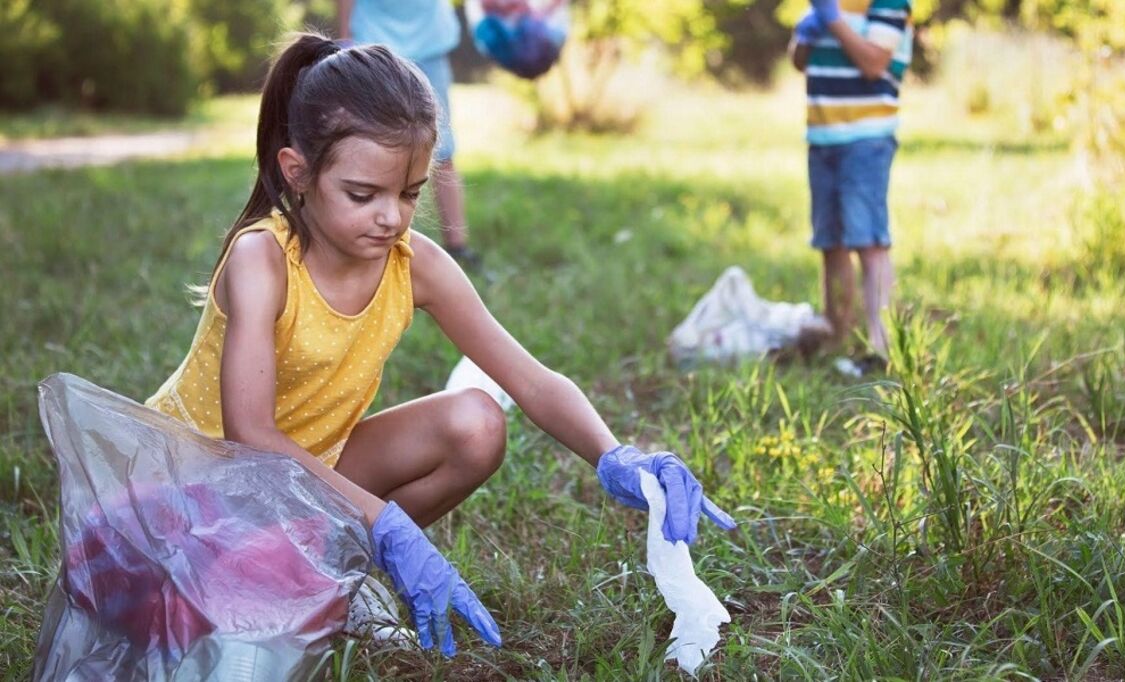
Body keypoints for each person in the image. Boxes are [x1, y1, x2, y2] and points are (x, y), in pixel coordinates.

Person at [145, 33, 736, 658]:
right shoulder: (261, 258)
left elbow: (528, 379)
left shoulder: (413, 264)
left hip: (311, 479)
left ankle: (335, 575)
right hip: (196, 493)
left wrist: (616, 454)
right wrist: (385, 521)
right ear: (299, 173)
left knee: (477, 422)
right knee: (195, 621)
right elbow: (250, 437)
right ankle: (318, 571)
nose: (392, 218)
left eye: (410, 193)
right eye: (362, 194)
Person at [790, 0, 913, 371]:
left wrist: (834, 20)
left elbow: (874, 63)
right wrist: (806, 34)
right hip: (823, 135)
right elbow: (799, 62)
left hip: (866, 138)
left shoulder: (888, 4)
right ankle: (838, 333)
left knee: (868, 240)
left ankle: (881, 345)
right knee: (831, 241)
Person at [337, 0, 479, 268]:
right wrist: (344, 37)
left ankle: (457, 247)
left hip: (429, 45)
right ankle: (363, 243)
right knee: (369, 150)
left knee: (443, 151)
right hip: (374, 48)